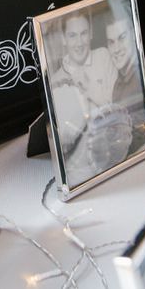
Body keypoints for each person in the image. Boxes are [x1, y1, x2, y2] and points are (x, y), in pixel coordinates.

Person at [48, 10, 126, 187]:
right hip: (82, 174)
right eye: (72, 35)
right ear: (63, 39)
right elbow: (65, 139)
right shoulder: (55, 82)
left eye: (83, 33)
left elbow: (119, 107)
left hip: (117, 155)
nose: (79, 42)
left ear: (90, 33)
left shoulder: (104, 56)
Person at [104, 12, 145, 156]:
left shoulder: (141, 79)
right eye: (111, 42)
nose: (116, 49)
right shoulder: (118, 85)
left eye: (122, 38)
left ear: (133, 36)